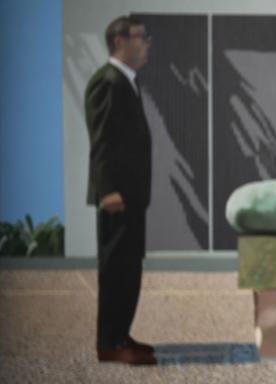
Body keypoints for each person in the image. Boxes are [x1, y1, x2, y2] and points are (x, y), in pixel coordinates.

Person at [85, 15, 155, 365]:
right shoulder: (108, 82)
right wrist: (108, 190)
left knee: (129, 268)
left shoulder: (128, 82)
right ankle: (109, 342)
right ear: (119, 42)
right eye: (140, 38)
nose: (147, 44)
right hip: (118, 198)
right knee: (115, 270)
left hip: (133, 198)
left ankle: (120, 335)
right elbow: (102, 143)